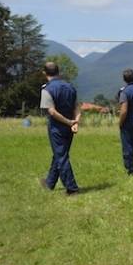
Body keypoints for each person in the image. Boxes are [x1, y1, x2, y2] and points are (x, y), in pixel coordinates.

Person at [39, 62, 81, 195]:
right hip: (70, 127)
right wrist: (75, 122)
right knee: (59, 154)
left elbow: (51, 112)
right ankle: (49, 182)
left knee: (61, 156)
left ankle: (72, 188)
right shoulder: (70, 86)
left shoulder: (46, 90)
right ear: (59, 72)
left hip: (57, 127)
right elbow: (77, 107)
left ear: (44, 73)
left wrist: (69, 122)